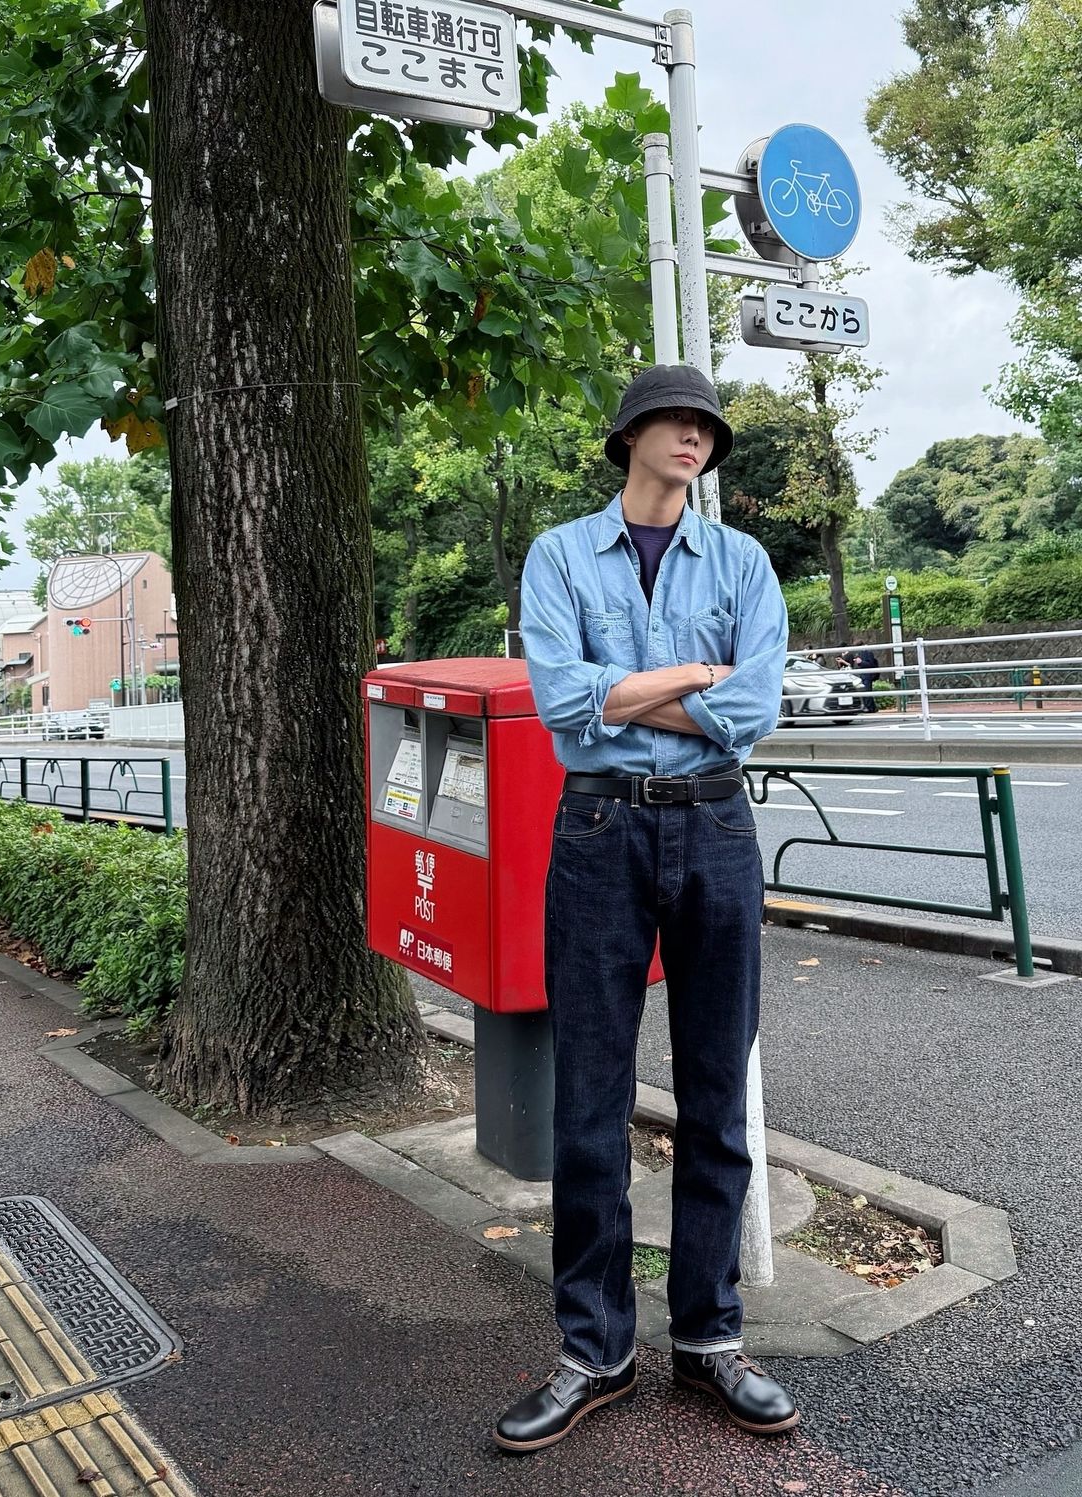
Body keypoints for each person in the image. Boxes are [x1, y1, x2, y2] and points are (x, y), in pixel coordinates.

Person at [494, 365, 798, 1455]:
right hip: (598, 834)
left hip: (717, 831)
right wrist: (689, 686)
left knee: (720, 1096)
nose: (695, 436)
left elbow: (753, 709)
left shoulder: (746, 562)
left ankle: (710, 1337)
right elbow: (561, 708)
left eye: (708, 424)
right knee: (590, 1100)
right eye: (675, 419)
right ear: (630, 435)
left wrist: (635, 693)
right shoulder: (560, 555)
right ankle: (595, 1348)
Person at [847, 645, 880, 711]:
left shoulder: (867, 652)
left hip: (867, 675)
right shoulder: (861, 653)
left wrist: (861, 662)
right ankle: (872, 707)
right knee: (866, 691)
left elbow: (871, 664)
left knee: (867, 691)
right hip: (864, 675)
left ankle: (870, 708)